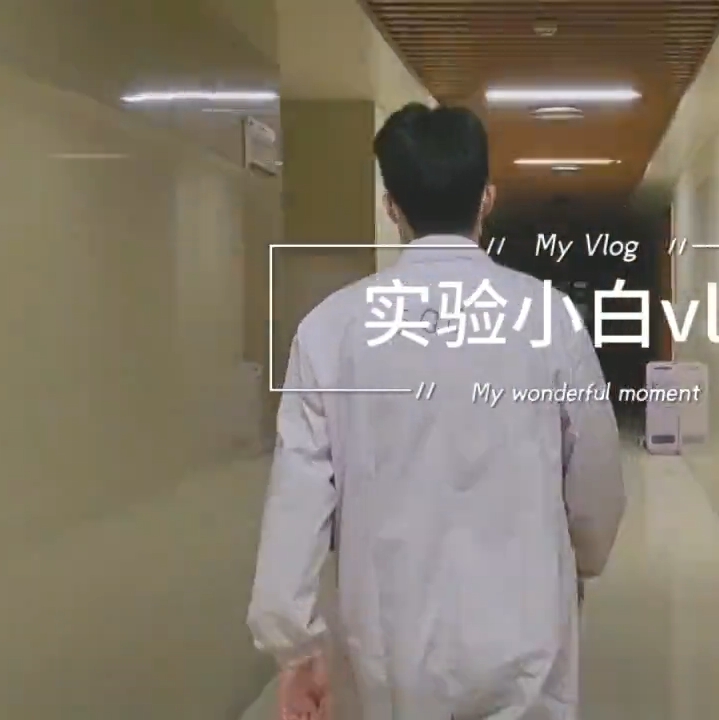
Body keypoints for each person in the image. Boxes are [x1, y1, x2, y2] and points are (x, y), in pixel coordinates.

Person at [247, 103, 626, 720]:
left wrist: (295, 645)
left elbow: (297, 499)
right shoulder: (548, 318)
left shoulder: (331, 329)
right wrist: (584, 556)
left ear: (391, 205)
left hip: (387, 643)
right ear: (486, 198)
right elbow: (597, 475)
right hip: (525, 625)